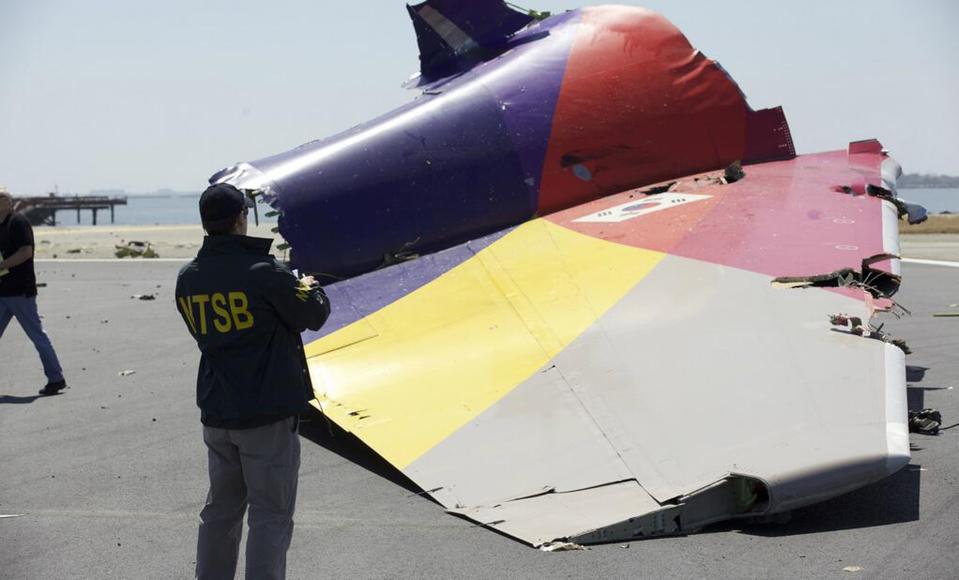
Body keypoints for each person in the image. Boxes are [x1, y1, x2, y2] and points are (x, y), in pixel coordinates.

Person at [176, 183, 330, 580]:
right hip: (265, 413)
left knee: (220, 512)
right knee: (271, 515)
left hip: (217, 411)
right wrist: (311, 286)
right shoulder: (264, 273)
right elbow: (312, 314)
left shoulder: (188, 278)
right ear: (240, 220)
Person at [0, 185, 67, 396]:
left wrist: (3, 265)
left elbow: (26, 252)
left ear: (9, 203)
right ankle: (56, 378)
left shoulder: (18, 222)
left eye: (1, 198)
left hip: (20, 291)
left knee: (37, 336)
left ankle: (56, 379)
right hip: (2, 292)